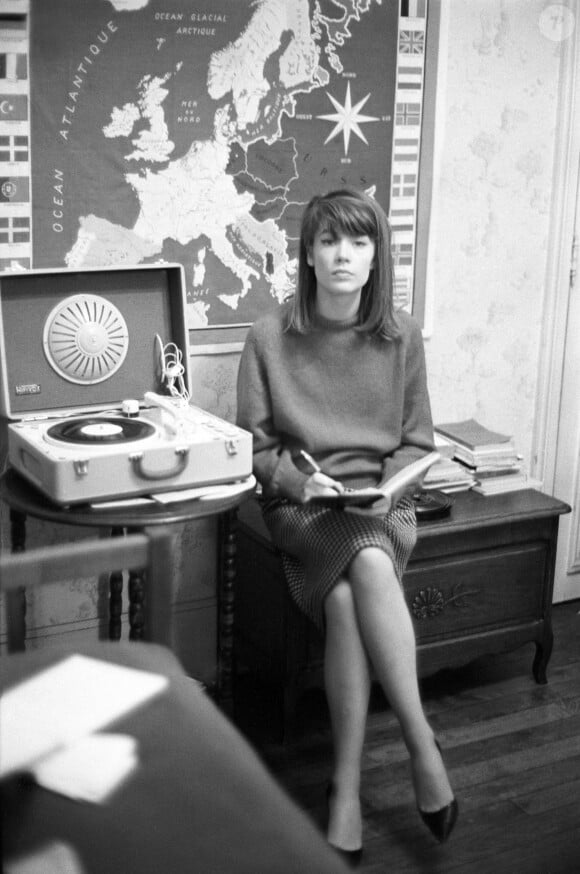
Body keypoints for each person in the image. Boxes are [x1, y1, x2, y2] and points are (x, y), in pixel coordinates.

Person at [236, 187, 458, 863]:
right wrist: (303, 482)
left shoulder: (402, 336)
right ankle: (424, 750)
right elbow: (254, 449)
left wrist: (384, 491)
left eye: (359, 242)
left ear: (374, 256)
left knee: (345, 592)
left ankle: (346, 790)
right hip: (301, 507)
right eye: (329, 240)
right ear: (307, 253)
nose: (343, 255)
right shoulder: (270, 338)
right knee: (362, 563)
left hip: (382, 506)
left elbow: (418, 443)